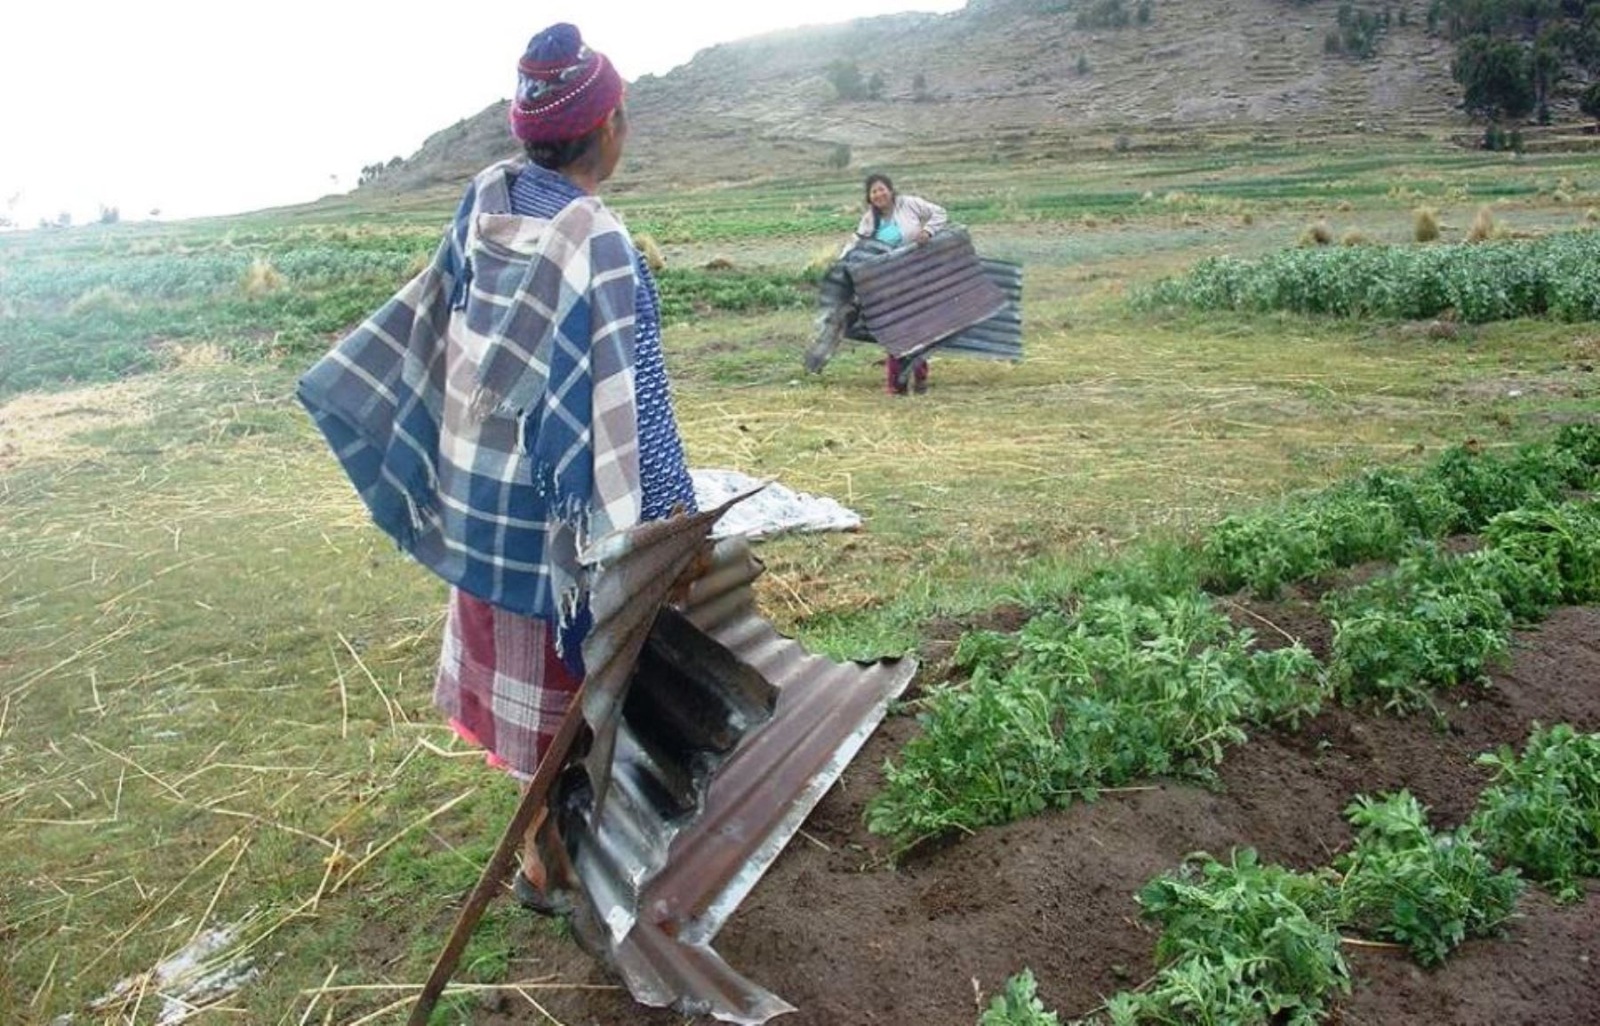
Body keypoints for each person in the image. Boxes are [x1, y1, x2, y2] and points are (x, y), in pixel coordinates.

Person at [298, 23, 695, 916]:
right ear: (608, 129)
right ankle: (555, 860)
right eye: (622, 114)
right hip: (555, 530)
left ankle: (542, 855)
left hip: (482, 506)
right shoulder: (597, 240)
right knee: (571, 694)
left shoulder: (483, 204)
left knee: (523, 691)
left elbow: (440, 328)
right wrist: (673, 520)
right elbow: (639, 400)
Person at [848, 173, 948, 394]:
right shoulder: (869, 220)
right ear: (869, 197)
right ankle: (897, 384)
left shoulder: (910, 205)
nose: (878, 194)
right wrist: (842, 265)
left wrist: (928, 231)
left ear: (891, 190)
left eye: (882, 189)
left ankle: (920, 378)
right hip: (888, 283)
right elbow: (855, 244)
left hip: (916, 277)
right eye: (873, 191)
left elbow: (940, 213)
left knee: (918, 330)